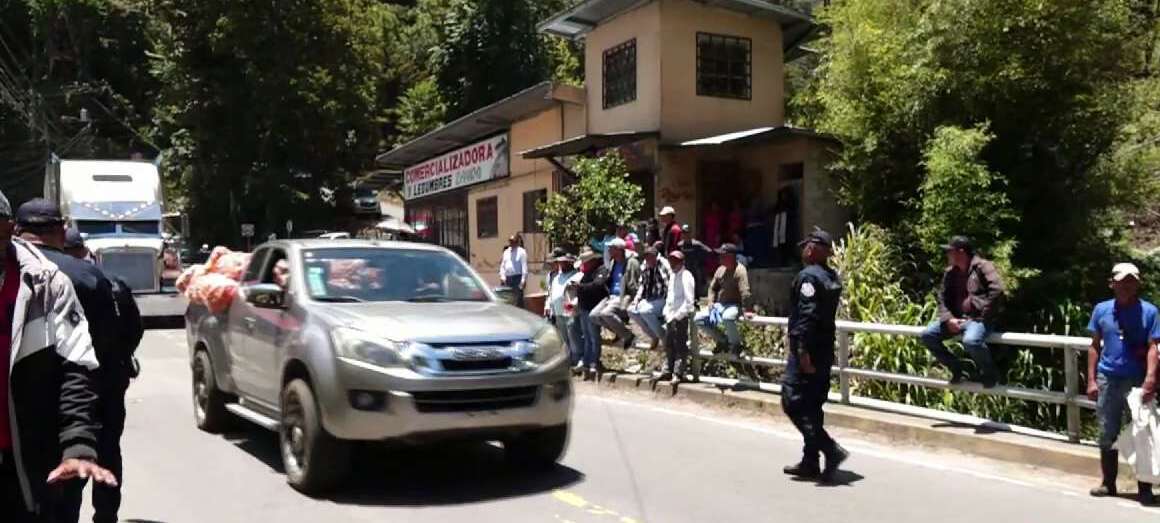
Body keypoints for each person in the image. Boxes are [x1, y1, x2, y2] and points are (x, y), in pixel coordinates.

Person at [0, 191, 116, 522]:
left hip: (24, 466)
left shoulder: (47, 285)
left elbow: (77, 366)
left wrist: (78, 444)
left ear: (10, 229)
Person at [64, 227, 144, 523]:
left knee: (75, 449)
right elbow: (134, 331)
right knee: (109, 449)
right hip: (111, 381)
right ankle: (106, 515)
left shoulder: (58, 281)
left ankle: (71, 512)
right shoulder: (113, 285)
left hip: (74, 384)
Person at [1086, 263, 1158, 505]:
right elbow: (1094, 346)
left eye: (1131, 281)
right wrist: (1092, 380)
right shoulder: (1101, 309)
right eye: (1121, 281)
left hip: (1137, 379)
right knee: (1107, 431)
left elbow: (1153, 348)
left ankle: (1144, 488)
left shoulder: (1149, 312)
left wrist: (1150, 378)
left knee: (1141, 432)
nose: (1126, 285)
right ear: (1112, 283)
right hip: (1108, 377)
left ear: (1137, 284)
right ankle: (1108, 483)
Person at [781, 229, 847, 485]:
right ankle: (811, 461)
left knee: (792, 400)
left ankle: (830, 450)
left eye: (808, 245)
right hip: (824, 349)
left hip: (807, 351)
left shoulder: (808, 277)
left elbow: (806, 318)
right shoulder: (831, 276)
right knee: (813, 405)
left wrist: (801, 353)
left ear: (817, 248)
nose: (804, 249)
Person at [920, 236, 1005, 387]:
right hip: (957, 319)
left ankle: (990, 373)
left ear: (960, 252)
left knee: (971, 341)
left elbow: (997, 290)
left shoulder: (983, 267)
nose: (947, 255)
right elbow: (942, 297)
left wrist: (982, 315)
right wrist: (948, 319)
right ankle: (958, 369)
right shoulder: (950, 272)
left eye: (949, 252)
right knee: (928, 335)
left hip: (978, 319)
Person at [695, 243, 752, 355]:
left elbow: (745, 292)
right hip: (720, 305)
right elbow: (712, 288)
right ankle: (722, 340)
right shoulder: (720, 270)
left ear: (730, 256)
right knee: (698, 318)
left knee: (728, 317)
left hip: (734, 305)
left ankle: (737, 345)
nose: (719, 257)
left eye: (722, 255)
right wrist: (711, 302)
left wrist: (747, 310)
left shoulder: (740, 270)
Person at [590, 238, 641, 350]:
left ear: (618, 249)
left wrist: (632, 299)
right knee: (593, 316)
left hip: (623, 295)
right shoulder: (613, 262)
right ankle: (621, 332)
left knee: (606, 313)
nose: (608, 250)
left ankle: (628, 335)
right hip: (610, 295)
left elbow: (634, 283)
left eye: (611, 248)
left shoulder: (631, 262)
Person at [661, 250, 696, 382]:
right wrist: (666, 312)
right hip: (670, 315)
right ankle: (667, 370)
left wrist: (678, 315)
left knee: (680, 345)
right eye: (671, 260)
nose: (672, 263)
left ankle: (678, 372)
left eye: (675, 261)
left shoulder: (687, 276)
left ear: (682, 262)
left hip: (680, 316)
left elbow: (689, 301)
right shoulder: (672, 276)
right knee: (669, 344)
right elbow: (670, 297)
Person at [573, 247, 609, 374]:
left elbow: (597, 286)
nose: (584, 264)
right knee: (587, 336)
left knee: (594, 336)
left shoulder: (601, 270)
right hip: (584, 308)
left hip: (593, 307)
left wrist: (580, 287)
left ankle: (594, 361)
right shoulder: (585, 274)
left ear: (592, 261)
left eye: (586, 262)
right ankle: (587, 363)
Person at [628, 246, 672, 351]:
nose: (648, 260)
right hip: (649, 298)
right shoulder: (645, 265)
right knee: (631, 310)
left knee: (645, 311)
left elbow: (670, 284)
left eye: (650, 257)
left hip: (663, 298)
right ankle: (653, 336)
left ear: (656, 256)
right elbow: (642, 285)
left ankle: (663, 337)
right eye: (646, 257)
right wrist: (636, 299)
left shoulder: (664, 264)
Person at [544, 249, 583, 364]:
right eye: (561, 262)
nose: (562, 264)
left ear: (571, 263)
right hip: (557, 310)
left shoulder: (577, 276)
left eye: (565, 262)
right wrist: (549, 306)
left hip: (570, 310)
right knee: (563, 336)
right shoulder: (556, 277)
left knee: (573, 335)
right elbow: (551, 293)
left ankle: (577, 357)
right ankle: (568, 358)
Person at [678, 224, 715, 299]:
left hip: (695, 269)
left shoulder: (697, 244)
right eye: (684, 233)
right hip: (684, 269)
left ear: (690, 233)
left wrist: (701, 261)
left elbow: (709, 251)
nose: (685, 235)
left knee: (695, 287)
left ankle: (695, 300)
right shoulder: (680, 245)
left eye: (687, 233)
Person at [498, 234, 528, 309]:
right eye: (510, 241)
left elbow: (524, 266)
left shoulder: (521, 252)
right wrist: (502, 276)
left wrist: (523, 280)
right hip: (508, 279)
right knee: (508, 300)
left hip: (517, 278)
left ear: (517, 242)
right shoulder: (506, 252)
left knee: (518, 301)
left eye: (513, 241)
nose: (511, 243)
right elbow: (502, 266)